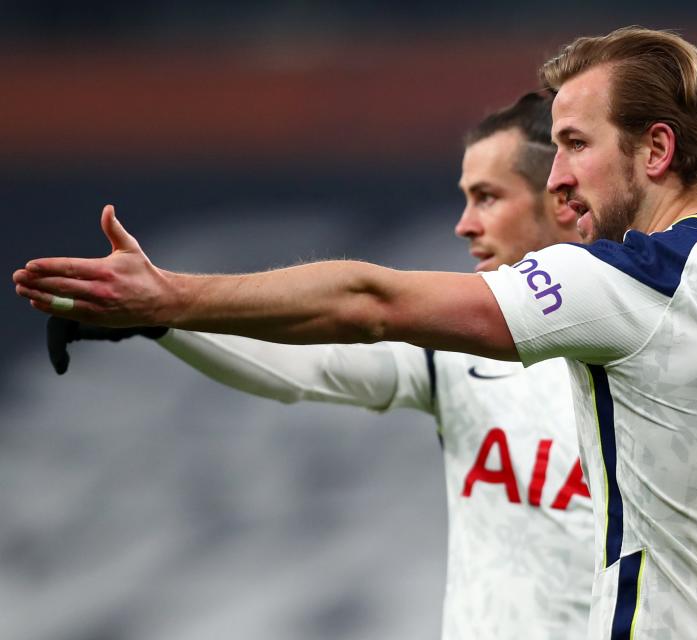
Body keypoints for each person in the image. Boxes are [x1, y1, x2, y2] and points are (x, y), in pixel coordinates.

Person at [13, 26, 697, 640]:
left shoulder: (634, 281)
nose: (559, 173)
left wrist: (171, 294)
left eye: (572, 143)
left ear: (655, 150)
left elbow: (367, 302)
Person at [39, 93, 595, 640]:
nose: (465, 225)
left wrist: (168, 305)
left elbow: (366, 305)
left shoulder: (650, 335)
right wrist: (162, 322)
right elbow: (308, 367)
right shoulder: (458, 348)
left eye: (488, 197)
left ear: (561, 198)